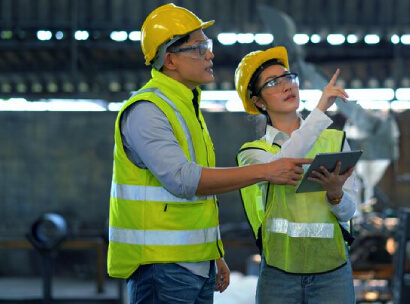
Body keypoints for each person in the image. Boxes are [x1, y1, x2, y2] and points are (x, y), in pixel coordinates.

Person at [107, 5, 311, 304]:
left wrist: (213, 254)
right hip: (162, 266)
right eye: (199, 48)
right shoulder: (147, 110)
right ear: (171, 59)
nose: (210, 55)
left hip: (193, 263)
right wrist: (267, 171)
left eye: (208, 46)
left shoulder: (186, 107)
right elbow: (184, 180)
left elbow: (200, 199)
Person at [234, 46, 359, 304]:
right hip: (279, 274)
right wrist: (320, 111)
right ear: (258, 101)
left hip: (332, 273)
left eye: (288, 78)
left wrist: (336, 195)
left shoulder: (335, 141)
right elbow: (282, 166)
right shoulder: (254, 154)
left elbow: (348, 213)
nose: (286, 86)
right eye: (273, 83)